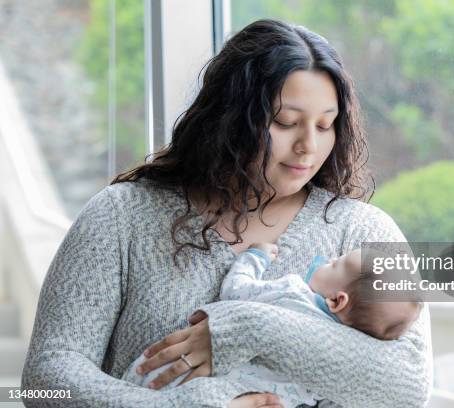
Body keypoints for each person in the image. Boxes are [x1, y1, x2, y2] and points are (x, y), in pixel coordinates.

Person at [22, 19, 432, 407]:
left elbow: (407, 387)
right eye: (287, 122)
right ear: (232, 119)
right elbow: (46, 381)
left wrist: (252, 328)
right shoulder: (121, 216)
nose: (309, 145)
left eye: (326, 125)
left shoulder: (359, 231)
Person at [122, 243, 423, 407]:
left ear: (336, 301)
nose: (328, 259)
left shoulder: (291, 294)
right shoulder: (343, 363)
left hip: (193, 381)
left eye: (335, 264)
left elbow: (236, 292)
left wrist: (254, 258)